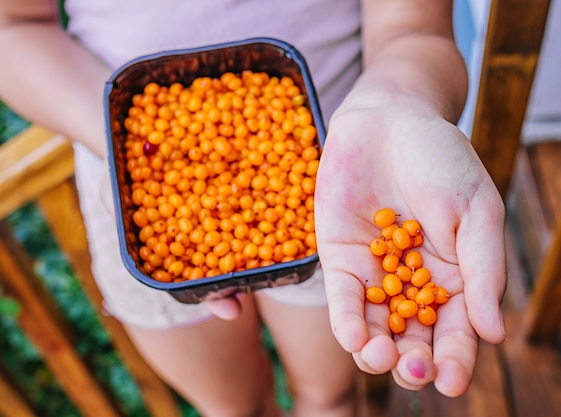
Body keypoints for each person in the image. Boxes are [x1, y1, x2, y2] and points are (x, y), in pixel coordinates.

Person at [0, 0, 507, 415]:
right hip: (139, 201)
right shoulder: (149, 181)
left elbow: (414, 28)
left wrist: (402, 102)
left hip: (346, 198)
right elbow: (13, 26)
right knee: (233, 407)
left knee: (329, 397)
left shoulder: (362, 218)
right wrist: (131, 149)